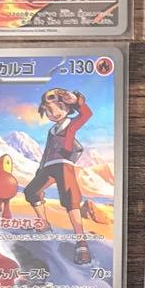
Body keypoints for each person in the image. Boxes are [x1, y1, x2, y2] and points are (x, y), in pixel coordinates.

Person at [24, 88, 101, 265]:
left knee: (71, 198)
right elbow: (46, 151)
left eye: (59, 107)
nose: (54, 113)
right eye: (49, 110)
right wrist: (40, 168)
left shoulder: (70, 124)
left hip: (64, 164)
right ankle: (44, 224)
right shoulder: (51, 131)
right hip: (48, 166)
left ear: (67, 108)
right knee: (31, 191)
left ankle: (81, 243)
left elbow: (86, 114)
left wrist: (77, 100)